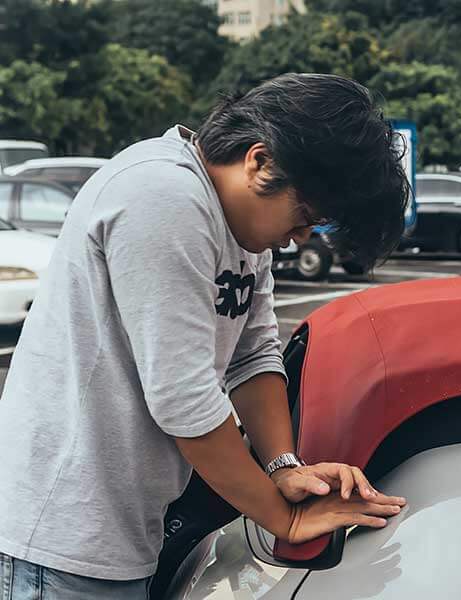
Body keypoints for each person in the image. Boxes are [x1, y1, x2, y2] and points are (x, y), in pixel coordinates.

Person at [0, 73, 409, 598]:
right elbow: (184, 398)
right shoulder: (163, 195)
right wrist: (282, 519)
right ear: (259, 161)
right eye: (305, 216)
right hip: (60, 539)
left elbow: (253, 355)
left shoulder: (242, 230)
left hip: (120, 532)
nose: (303, 236)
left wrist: (284, 467)